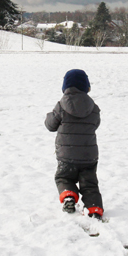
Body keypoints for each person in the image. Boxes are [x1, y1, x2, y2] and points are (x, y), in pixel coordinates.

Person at [45, 69, 103, 220]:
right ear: (86, 87)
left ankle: (69, 197)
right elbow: (95, 124)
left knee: (64, 178)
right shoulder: (93, 107)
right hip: (88, 156)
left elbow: (50, 125)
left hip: (66, 155)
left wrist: (50, 116)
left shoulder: (61, 105)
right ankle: (94, 208)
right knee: (90, 184)